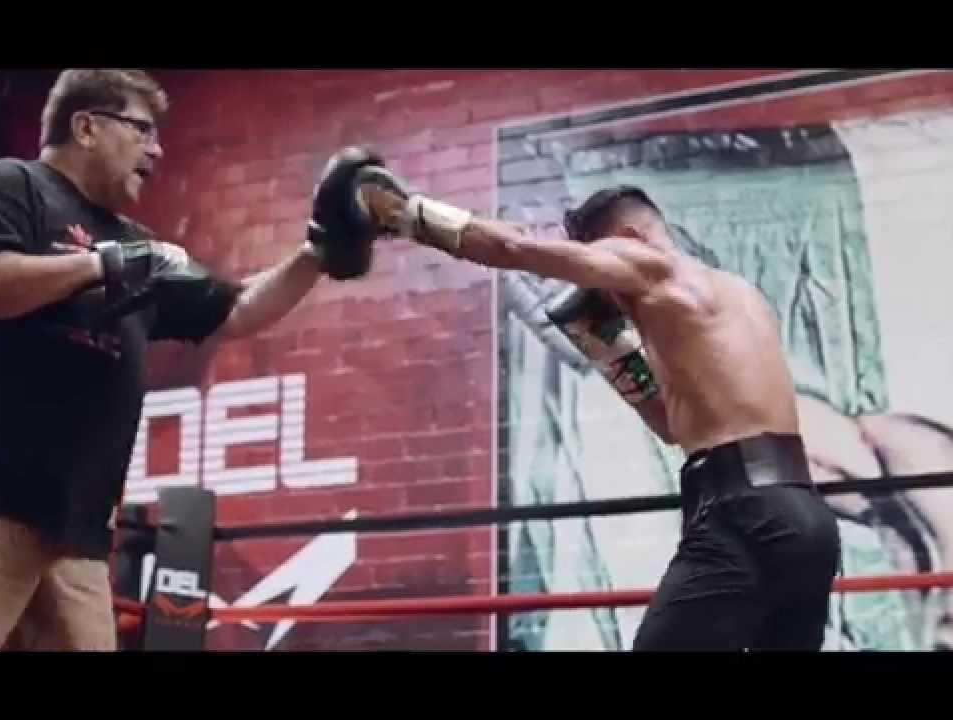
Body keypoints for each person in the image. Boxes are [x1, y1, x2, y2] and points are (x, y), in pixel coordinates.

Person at [0, 69, 333, 651]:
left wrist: (320, 250)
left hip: (74, 537)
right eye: (142, 130)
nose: (157, 149)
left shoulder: (139, 244)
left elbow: (237, 310)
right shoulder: (11, 185)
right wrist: (103, 265)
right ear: (87, 127)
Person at [314, 147, 843, 651]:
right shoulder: (737, 294)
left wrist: (402, 213)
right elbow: (675, 427)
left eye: (603, 270)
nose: (610, 293)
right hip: (805, 520)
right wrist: (610, 352)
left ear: (630, 237)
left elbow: (514, 250)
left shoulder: (648, 263)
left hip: (741, 515)